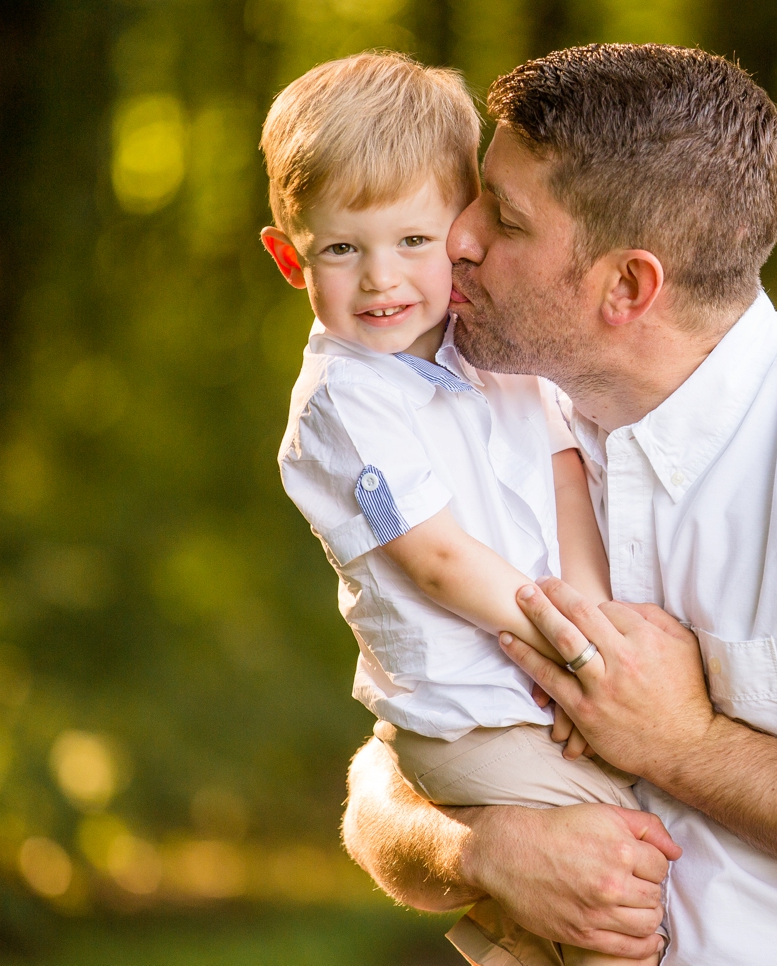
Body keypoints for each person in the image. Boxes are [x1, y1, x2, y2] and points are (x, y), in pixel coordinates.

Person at [341, 43, 777, 965]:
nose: (458, 237)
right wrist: (479, 850)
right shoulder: (493, 425)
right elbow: (381, 780)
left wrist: (683, 742)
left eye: (506, 222)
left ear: (629, 287)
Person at [259, 50, 662, 966]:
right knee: (616, 903)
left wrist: (593, 606)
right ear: (291, 257)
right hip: (472, 714)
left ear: (465, 230)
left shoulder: (491, 347)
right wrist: (575, 648)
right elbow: (434, 556)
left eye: (413, 241)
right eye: (341, 249)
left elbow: (563, 471)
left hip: (543, 677)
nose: (380, 282)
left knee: (570, 916)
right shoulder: (346, 401)